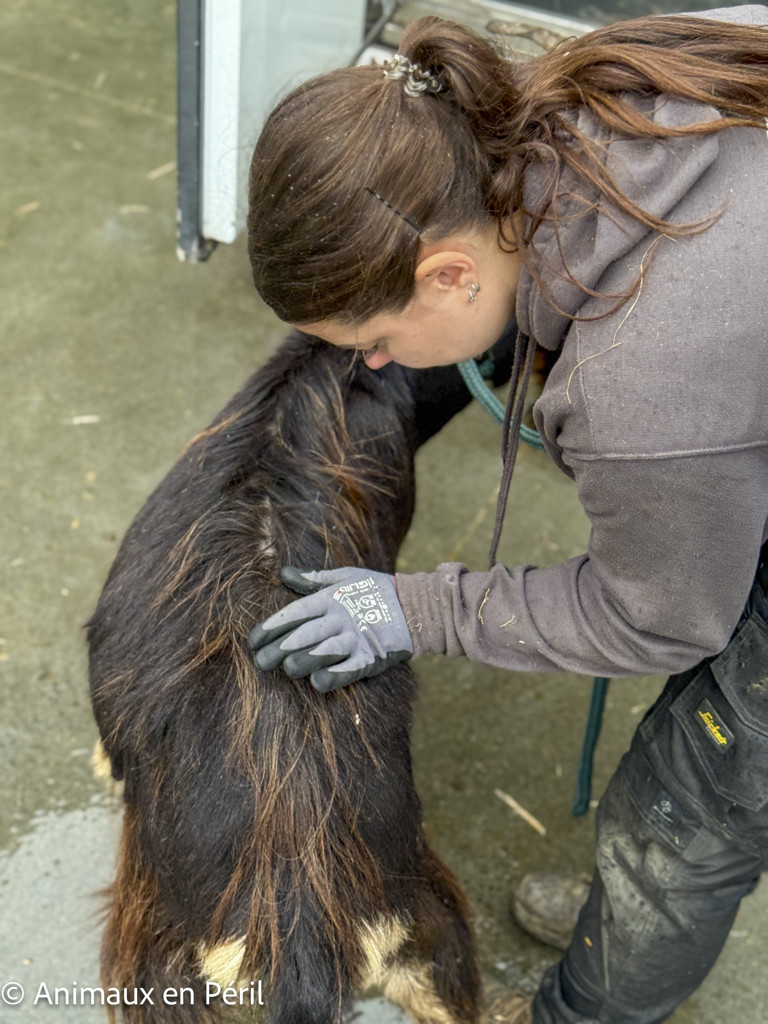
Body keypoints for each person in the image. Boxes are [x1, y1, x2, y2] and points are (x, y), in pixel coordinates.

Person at [246, 6, 768, 1022]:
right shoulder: (593, 96)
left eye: (378, 340)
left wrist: (416, 610)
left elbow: (664, 617)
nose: (379, 363)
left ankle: (608, 972)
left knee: (685, 810)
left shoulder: (642, 386)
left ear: (450, 273)